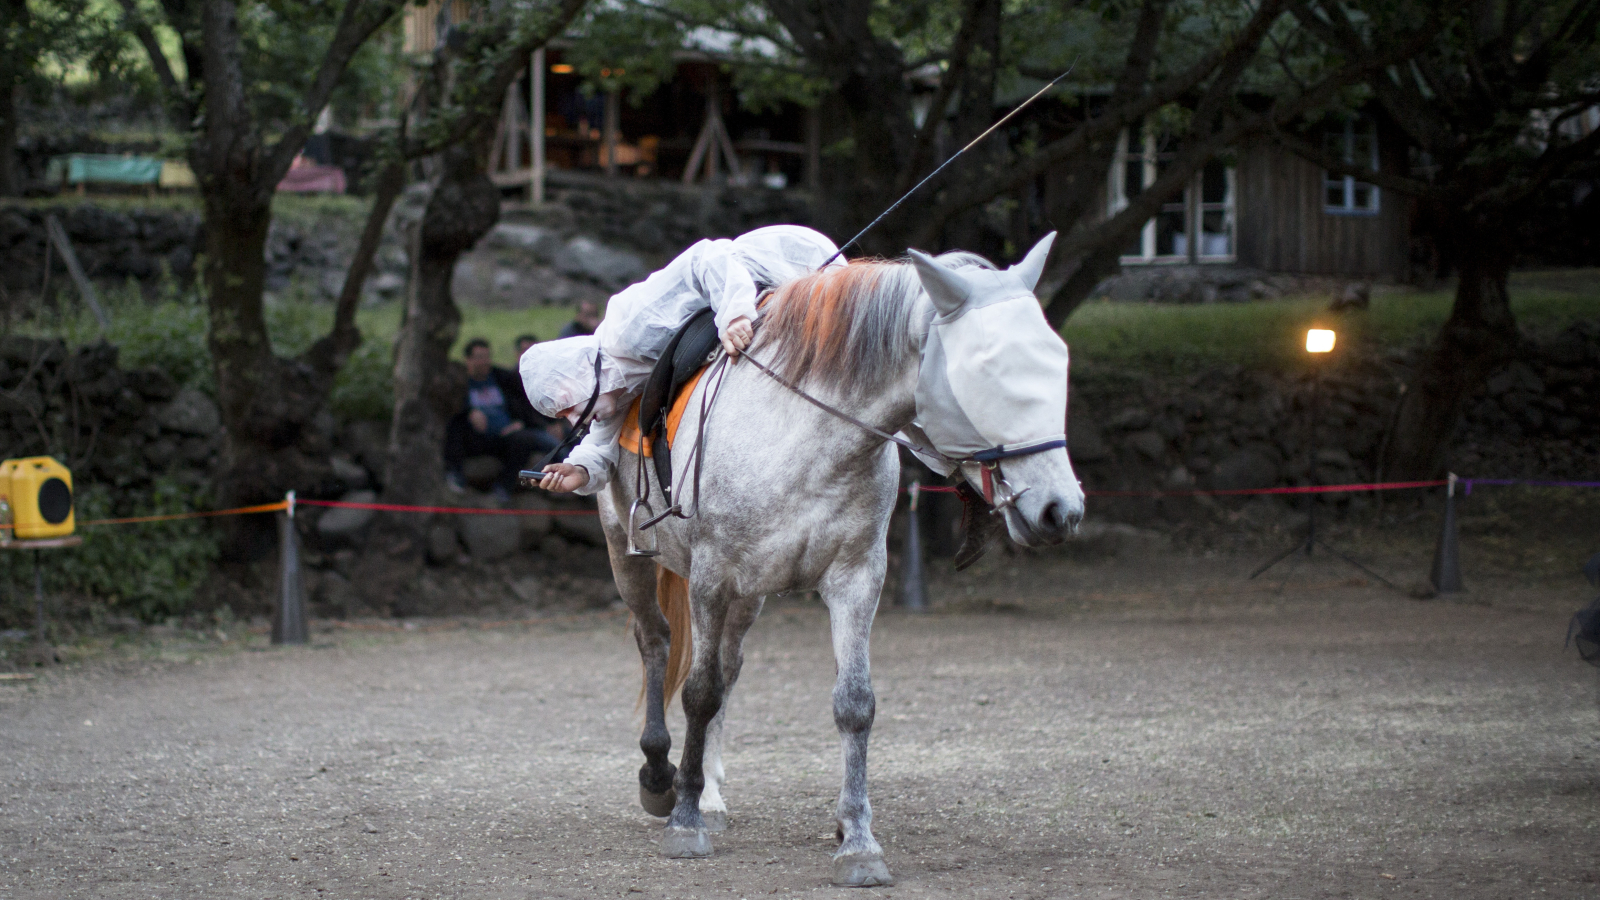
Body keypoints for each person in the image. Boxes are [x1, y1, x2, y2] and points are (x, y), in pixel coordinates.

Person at [521, 225, 844, 496]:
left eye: (567, 407)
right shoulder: (614, 386)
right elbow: (601, 441)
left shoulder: (631, 327)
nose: (572, 419)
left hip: (791, 264)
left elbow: (707, 257)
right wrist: (580, 470)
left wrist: (733, 316)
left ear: (578, 375)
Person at [445, 338, 561, 501]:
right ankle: (455, 476)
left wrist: (519, 423)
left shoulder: (501, 378)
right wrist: (469, 412)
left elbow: (523, 404)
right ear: (468, 360)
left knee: (530, 440)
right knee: (455, 428)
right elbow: (450, 407)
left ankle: (503, 489)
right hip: (475, 437)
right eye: (479, 357)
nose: (484, 362)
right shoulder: (461, 383)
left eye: (487, 357)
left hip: (505, 435)